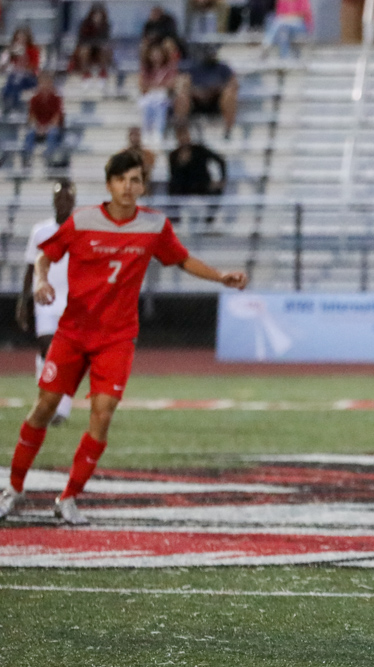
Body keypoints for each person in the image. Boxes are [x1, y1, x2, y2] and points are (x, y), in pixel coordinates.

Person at [0, 149, 248, 526]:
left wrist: (220, 277)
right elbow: (44, 257)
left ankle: (68, 498)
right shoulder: (82, 221)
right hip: (72, 332)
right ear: (109, 184)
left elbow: (181, 259)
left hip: (116, 338)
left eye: (135, 180)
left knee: (103, 415)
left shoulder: (153, 226)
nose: (128, 187)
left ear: (143, 185)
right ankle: (13, 489)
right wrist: (41, 280)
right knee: (45, 406)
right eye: (121, 180)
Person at [16, 181, 77, 427]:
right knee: (47, 348)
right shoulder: (41, 231)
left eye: (66, 198)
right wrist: (23, 301)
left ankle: (61, 409)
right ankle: (45, 399)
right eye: (58, 198)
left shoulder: (81, 230)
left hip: (73, 301)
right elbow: (31, 267)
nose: (62, 202)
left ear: (73, 201)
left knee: (70, 357)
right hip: (46, 299)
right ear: (52, 201)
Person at [168, 125, 227, 225]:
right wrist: (181, 163)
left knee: (217, 190)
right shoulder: (174, 155)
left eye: (186, 135)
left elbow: (220, 161)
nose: (184, 139)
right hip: (185, 187)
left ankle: (209, 220)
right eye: (181, 136)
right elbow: (174, 175)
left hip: (202, 184)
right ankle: (176, 218)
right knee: (171, 186)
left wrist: (222, 179)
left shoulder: (200, 149)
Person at [175, 47, 238, 139]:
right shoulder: (192, 68)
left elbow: (234, 84)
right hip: (195, 101)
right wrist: (196, 91)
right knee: (181, 96)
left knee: (229, 94)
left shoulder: (223, 68)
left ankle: (228, 130)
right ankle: (181, 131)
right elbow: (181, 84)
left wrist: (217, 89)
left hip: (217, 101)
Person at [22, 73, 64, 171]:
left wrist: (46, 128)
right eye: (42, 83)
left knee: (52, 133)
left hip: (51, 127)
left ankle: (48, 160)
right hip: (39, 127)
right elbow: (32, 116)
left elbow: (56, 117)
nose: (44, 86)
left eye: (47, 83)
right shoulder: (34, 99)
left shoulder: (56, 99)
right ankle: (26, 160)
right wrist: (38, 127)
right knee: (29, 134)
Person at [139, 42, 177, 145]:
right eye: (153, 54)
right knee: (147, 106)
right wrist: (157, 85)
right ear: (149, 55)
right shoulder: (146, 69)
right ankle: (146, 132)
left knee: (161, 105)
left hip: (163, 96)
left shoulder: (168, 68)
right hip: (149, 96)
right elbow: (142, 85)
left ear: (163, 55)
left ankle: (158, 132)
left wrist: (153, 85)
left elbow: (171, 84)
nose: (156, 56)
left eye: (158, 54)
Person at [2, 27, 41, 115]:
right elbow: (3, 68)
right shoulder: (11, 50)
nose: (21, 41)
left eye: (23, 38)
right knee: (11, 83)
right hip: (14, 78)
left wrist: (23, 57)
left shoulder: (33, 50)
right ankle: (10, 108)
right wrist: (9, 56)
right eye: (18, 38)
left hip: (29, 78)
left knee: (15, 83)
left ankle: (14, 108)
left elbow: (34, 68)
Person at [71, 3, 114, 83]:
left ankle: (103, 73)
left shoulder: (106, 25)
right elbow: (82, 40)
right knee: (85, 50)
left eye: (99, 14)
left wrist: (96, 42)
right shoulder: (85, 24)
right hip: (87, 49)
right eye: (96, 14)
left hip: (100, 50)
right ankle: (86, 74)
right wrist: (93, 43)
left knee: (105, 48)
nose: (97, 16)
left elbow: (106, 40)